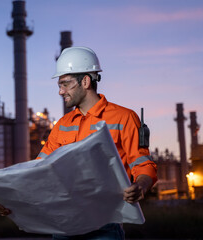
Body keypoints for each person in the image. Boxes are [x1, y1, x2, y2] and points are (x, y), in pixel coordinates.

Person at [37, 47, 157, 239]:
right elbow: (38, 168)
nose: (60, 91)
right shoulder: (62, 125)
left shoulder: (123, 118)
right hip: (64, 225)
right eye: (59, 85)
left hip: (105, 227)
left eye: (65, 84)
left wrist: (140, 186)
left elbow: (143, 165)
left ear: (85, 81)